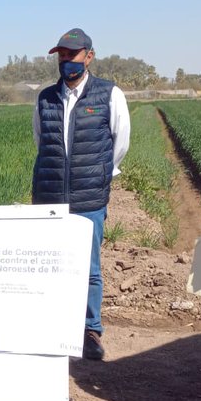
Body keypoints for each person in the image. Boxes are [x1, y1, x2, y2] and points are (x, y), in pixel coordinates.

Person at [31, 28, 131, 361]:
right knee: (50, 265)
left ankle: (90, 330)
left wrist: (99, 174)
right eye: (61, 55)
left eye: (72, 55)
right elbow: (41, 142)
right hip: (49, 197)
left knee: (88, 269)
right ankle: (55, 329)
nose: (66, 61)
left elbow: (120, 144)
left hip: (89, 197)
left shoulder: (109, 94)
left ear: (89, 56)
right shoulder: (45, 98)